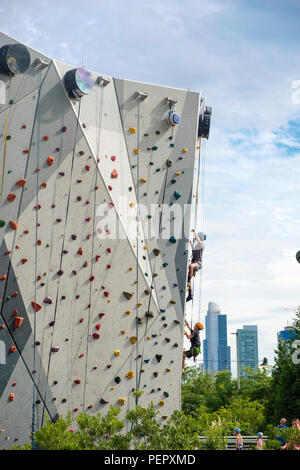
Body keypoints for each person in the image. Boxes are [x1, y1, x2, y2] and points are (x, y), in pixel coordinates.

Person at [186, 230, 205, 302]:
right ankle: (190, 295)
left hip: (198, 263)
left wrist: (194, 233)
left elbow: (198, 240)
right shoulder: (196, 246)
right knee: (189, 268)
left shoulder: (201, 245)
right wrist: (190, 242)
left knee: (190, 266)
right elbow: (192, 247)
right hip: (194, 263)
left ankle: (188, 280)